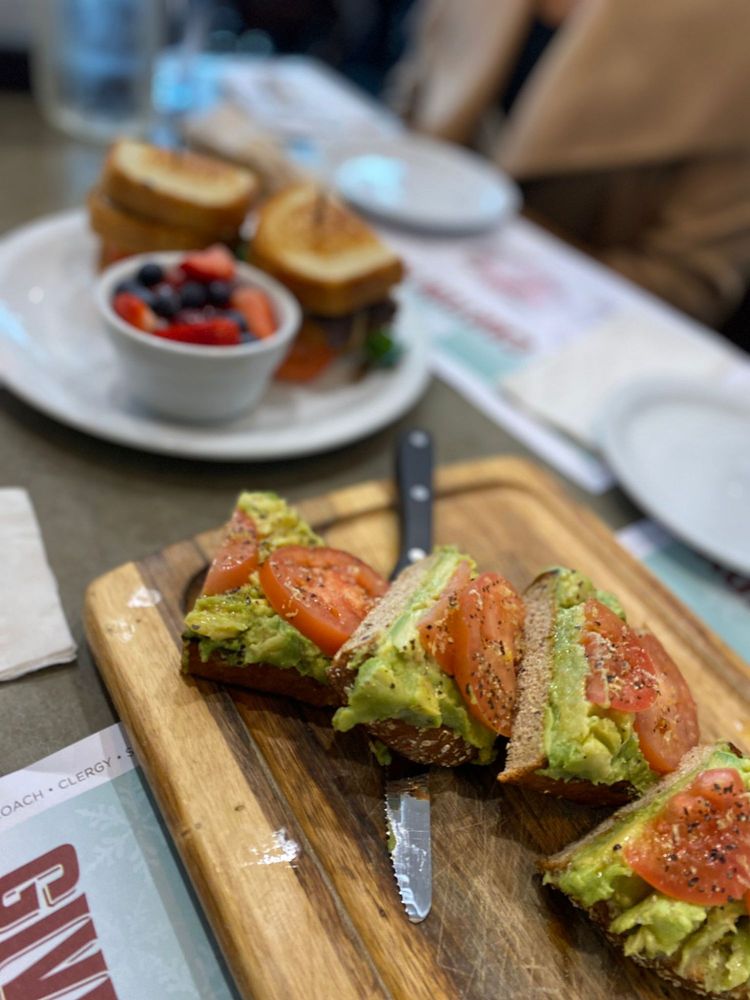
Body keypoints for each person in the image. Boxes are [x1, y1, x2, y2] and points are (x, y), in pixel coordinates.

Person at [387, 0, 750, 328]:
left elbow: (691, 283)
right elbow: (411, 102)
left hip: (562, 340)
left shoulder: (735, 36)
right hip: (397, 253)